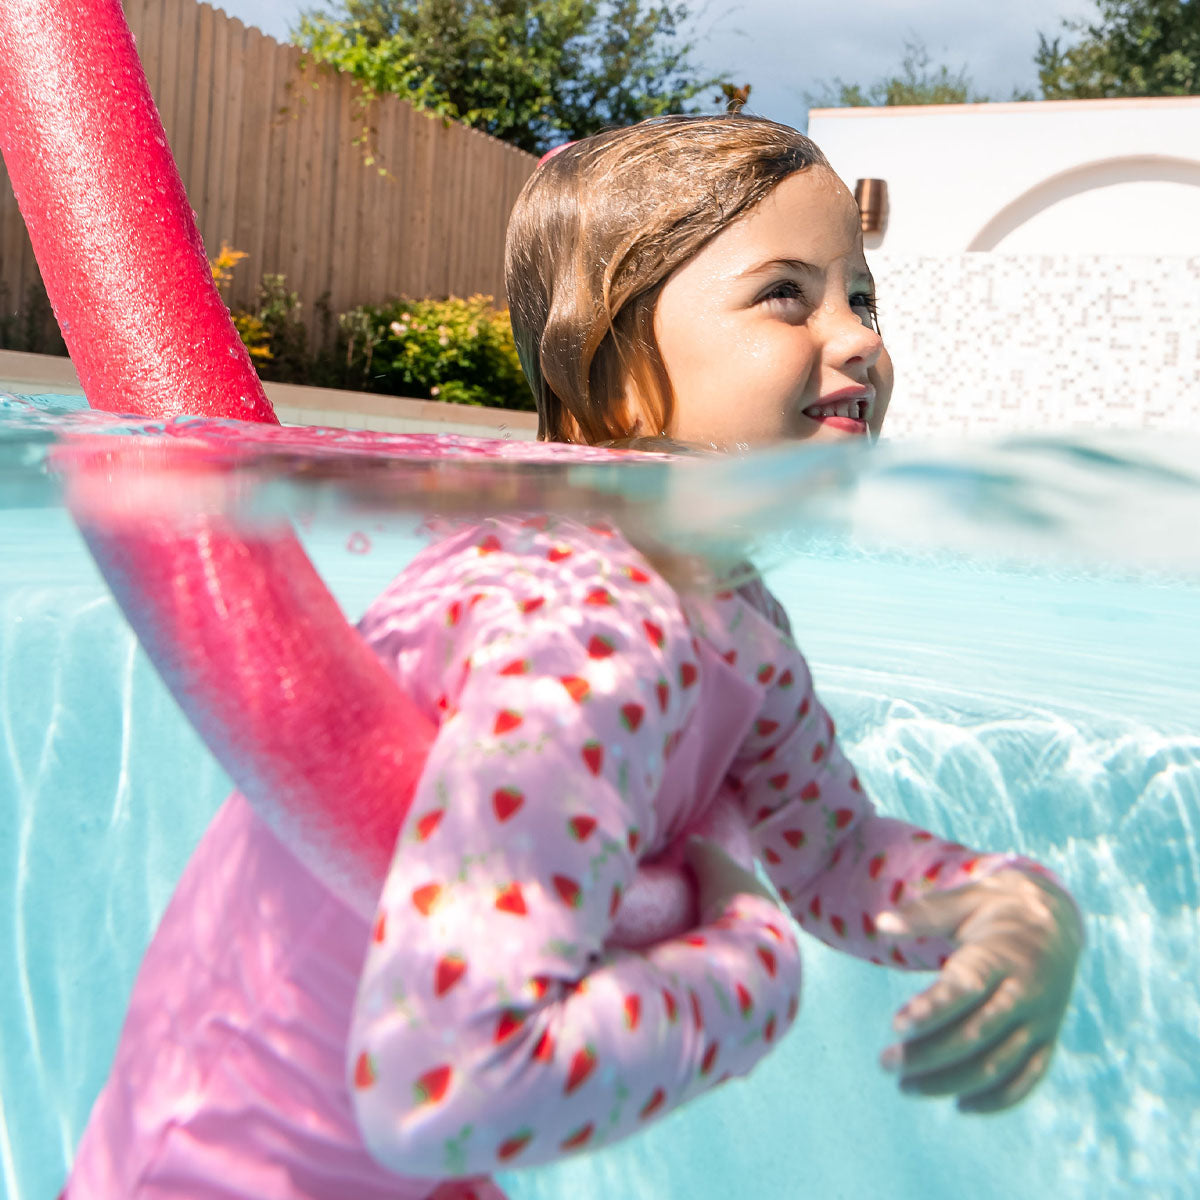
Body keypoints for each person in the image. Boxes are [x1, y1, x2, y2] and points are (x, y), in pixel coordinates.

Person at [65, 114, 1082, 1200]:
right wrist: (754, 956)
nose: (859, 338)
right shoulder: (591, 630)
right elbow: (451, 1088)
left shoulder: (730, 615)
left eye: (861, 295)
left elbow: (830, 850)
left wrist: (1010, 905)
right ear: (620, 376)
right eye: (787, 293)